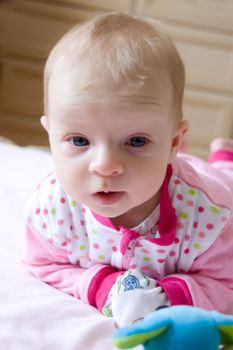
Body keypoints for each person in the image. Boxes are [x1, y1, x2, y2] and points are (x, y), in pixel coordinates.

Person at [23, 12, 233, 327]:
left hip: (209, 182)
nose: (105, 166)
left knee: (224, 177)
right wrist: (101, 286)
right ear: (50, 135)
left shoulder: (210, 216)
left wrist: (169, 294)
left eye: (136, 140)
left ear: (174, 140)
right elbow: (44, 265)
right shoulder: (52, 211)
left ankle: (224, 159)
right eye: (79, 140)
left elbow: (225, 282)